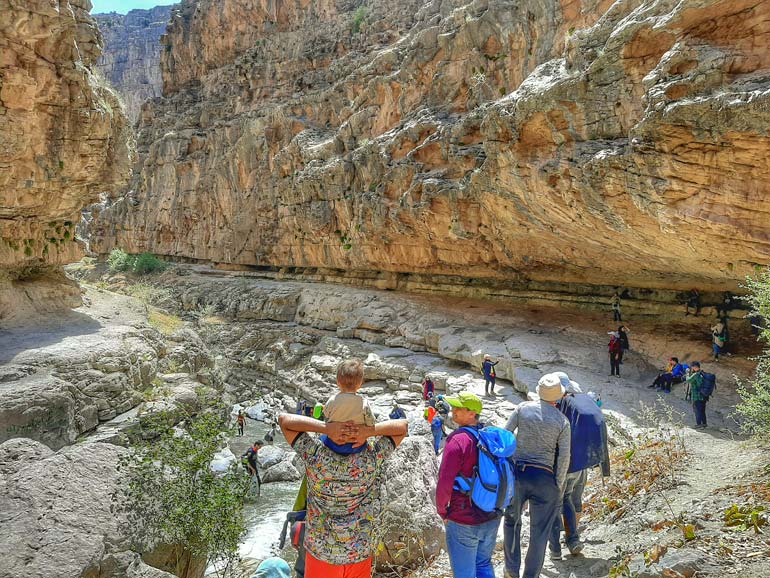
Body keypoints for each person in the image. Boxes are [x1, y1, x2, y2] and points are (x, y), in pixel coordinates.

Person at [277, 405, 407, 577]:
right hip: (359, 552)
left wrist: (326, 428)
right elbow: (403, 427)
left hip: (321, 553)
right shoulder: (371, 459)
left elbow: (284, 421)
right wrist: (367, 432)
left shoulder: (316, 455)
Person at [504, 374, 571, 578]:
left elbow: (506, 436)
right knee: (540, 531)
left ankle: (511, 569)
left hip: (518, 472)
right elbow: (564, 457)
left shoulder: (522, 408)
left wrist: (506, 471)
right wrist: (557, 484)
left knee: (511, 521)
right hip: (545, 478)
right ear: (558, 397)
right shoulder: (562, 421)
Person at [436, 391, 501, 578]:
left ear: (472, 413)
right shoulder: (489, 437)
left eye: (459, 408)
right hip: (491, 515)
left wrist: (443, 511)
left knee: (464, 573)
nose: (453, 411)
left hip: (463, 518)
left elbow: (445, 481)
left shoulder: (458, 440)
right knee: (483, 565)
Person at [548, 372, 610, 559]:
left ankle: (557, 547)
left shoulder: (561, 405)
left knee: (555, 502)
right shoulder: (583, 401)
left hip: (566, 463)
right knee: (575, 499)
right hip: (583, 462)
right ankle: (573, 538)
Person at [685, 361, 708, 428]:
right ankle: (704, 423)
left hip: (697, 396)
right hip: (704, 395)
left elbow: (688, 380)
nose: (692, 368)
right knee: (702, 410)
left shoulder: (696, 375)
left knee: (697, 410)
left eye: (692, 367)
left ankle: (698, 424)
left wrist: (687, 373)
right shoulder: (703, 373)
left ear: (695, 367)